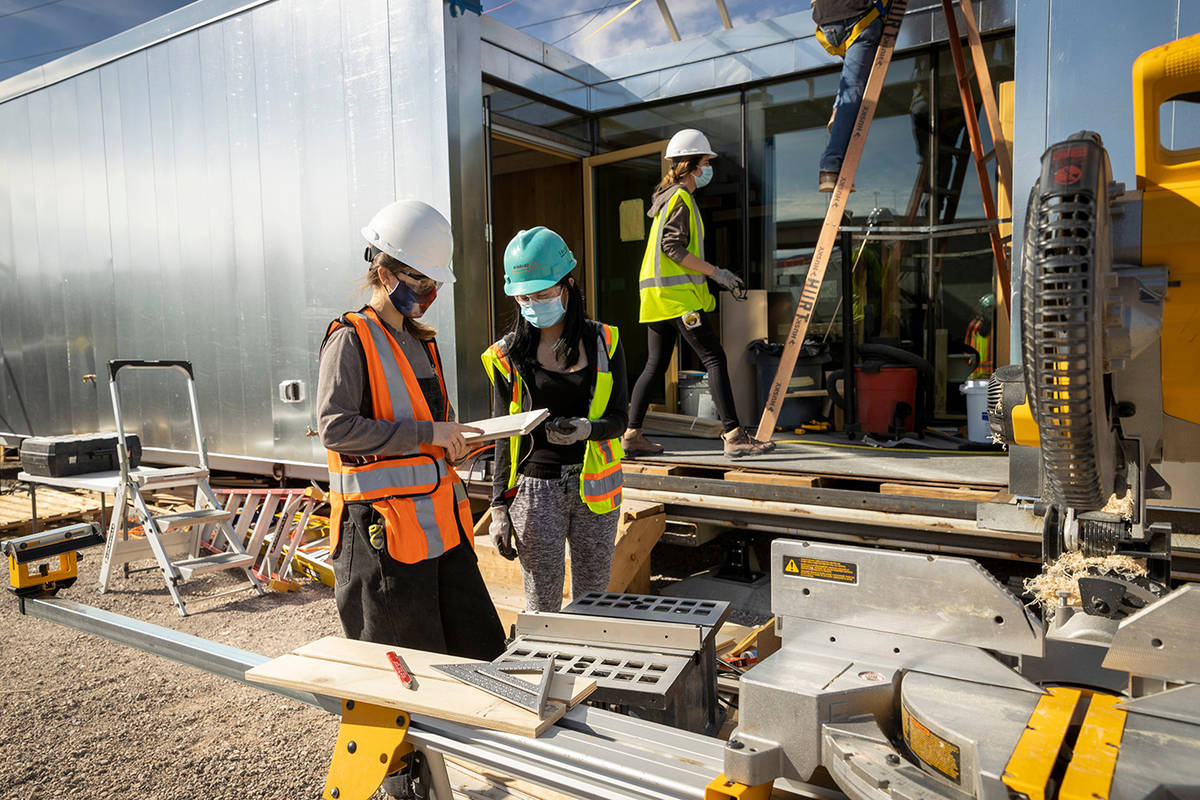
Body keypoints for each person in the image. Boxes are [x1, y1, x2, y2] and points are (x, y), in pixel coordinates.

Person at [317, 202, 506, 771]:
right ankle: (407, 781)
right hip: (379, 536)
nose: (428, 293)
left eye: (433, 283)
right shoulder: (350, 339)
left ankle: (472, 764)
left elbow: (420, 431)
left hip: (439, 529)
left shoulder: (421, 342)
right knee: (401, 677)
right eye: (420, 281)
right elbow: (335, 427)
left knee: (477, 649)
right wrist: (428, 433)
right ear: (385, 272)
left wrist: (457, 441)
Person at [483, 227, 628, 612]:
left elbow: (619, 418)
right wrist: (498, 506)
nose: (532, 304)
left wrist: (588, 430)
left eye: (543, 294)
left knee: (594, 601)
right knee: (541, 605)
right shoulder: (507, 356)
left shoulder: (603, 341)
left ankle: (589, 670)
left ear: (568, 285)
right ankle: (548, 668)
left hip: (594, 490)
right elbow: (502, 435)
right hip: (535, 492)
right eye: (524, 296)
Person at [621, 129, 775, 459]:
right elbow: (673, 248)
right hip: (677, 300)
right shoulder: (680, 199)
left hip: (657, 299)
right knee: (714, 357)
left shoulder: (667, 200)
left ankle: (632, 435)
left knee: (655, 364)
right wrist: (717, 273)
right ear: (691, 166)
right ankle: (734, 435)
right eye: (706, 163)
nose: (709, 170)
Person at [813, 0, 888, 192]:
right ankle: (830, 165)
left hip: (827, 23)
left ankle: (839, 111)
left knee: (851, 80)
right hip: (860, 15)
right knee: (853, 88)